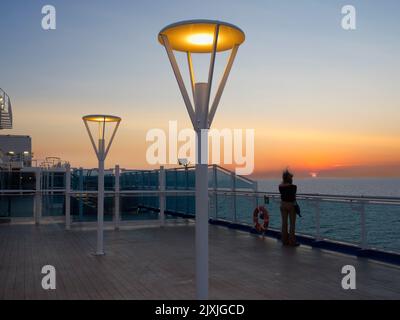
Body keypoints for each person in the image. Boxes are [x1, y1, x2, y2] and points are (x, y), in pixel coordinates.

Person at [279, 169, 299, 246]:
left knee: (284, 223)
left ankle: (284, 241)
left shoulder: (280, 186)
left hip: (283, 205)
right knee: (292, 224)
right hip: (291, 205)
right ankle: (292, 241)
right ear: (290, 179)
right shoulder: (294, 187)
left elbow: (282, 190)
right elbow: (294, 196)